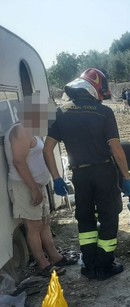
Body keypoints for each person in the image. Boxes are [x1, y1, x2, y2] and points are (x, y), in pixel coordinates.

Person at [43, 68, 130, 281]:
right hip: (103, 172)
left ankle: (89, 264)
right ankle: (105, 265)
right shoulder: (104, 112)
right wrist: (126, 177)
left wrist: (56, 178)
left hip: (79, 175)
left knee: (84, 219)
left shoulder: (60, 113)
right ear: (95, 90)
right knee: (109, 217)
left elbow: (47, 150)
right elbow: (116, 149)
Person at [4, 95, 76, 277]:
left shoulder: (31, 130)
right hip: (26, 187)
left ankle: (54, 256)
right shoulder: (21, 130)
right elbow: (19, 162)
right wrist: (34, 188)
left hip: (37, 185)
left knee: (44, 222)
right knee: (34, 226)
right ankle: (42, 264)